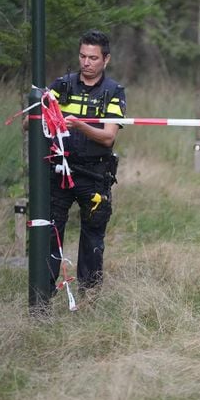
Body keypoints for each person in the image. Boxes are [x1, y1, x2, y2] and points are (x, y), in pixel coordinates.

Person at [46, 29, 126, 296]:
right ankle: (42, 299)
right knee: (49, 234)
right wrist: (39, 113)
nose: (86, 62)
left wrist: (79, 125)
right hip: (59, 170)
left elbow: (108, 137)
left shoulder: (113, 92)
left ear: (106, 59)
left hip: (93, 175)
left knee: (92, 239)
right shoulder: (61, 85)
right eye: (82, 56)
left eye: (93, 57)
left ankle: (89, 299)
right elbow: (30, 124)